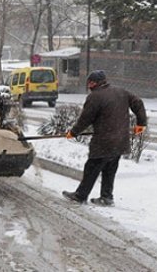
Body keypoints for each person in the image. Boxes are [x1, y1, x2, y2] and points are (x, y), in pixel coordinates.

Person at [62, 70, 147, 206]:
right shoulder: (121, 91)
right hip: (120, 140)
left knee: (92, 168)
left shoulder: (95, 97)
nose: (89, 85)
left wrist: (73, 132)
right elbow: (138, 102)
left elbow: (85, 119)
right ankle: (106, 197)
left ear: (95, 83)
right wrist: (141, 123)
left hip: (104, 141)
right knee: (109, 169)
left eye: (91, 82)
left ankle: (80, 195)